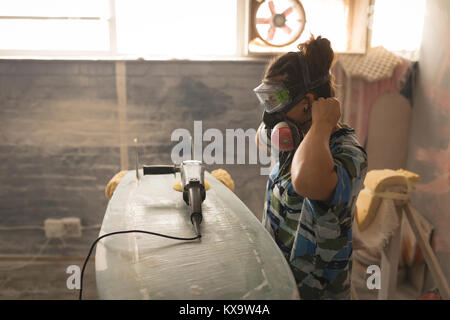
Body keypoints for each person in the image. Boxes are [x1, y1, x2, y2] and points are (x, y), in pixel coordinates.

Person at [254, 35, 368, 299]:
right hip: (280, 282)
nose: (272, 113)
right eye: (268, 100)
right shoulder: (292, 139)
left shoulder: (348, 154)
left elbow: (305, 181)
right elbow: (262, 135)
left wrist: (322, 125)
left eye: (278, 100)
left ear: (309, 102)